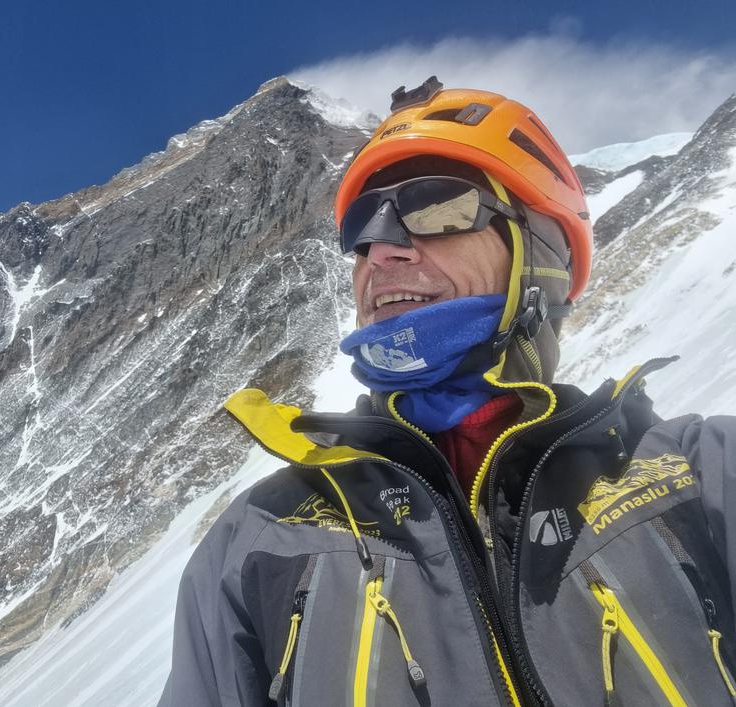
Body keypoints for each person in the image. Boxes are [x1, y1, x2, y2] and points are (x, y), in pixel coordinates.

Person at [158, 77, 736, 706]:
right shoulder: (258, 539)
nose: (382, 250)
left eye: (436, 207)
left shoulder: (701, 473)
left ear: (539, 254)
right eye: (362, 230)